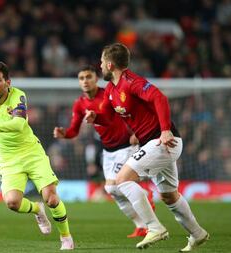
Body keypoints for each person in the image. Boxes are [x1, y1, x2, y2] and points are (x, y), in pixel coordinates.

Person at [86, 43, 209, 251]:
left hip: (163, 141)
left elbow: (159, 97)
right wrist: (96, 117)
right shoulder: (111, 90)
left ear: (109, 64)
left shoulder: (132, 82)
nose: (99, 66)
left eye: (101, 62)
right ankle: (197, 234)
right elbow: (108, 116)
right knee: (169, 195)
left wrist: (164, 130)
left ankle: (154, 227)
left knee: (122, 179)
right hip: (154, 144)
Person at [0, 62, 74, 250]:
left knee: (51, 198)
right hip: (8, 159)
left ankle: (65, 237)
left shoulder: (18, 96)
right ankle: (36, 209)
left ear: (7, 82)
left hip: (32, 153)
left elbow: (18, 125)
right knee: (12, 203)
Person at [54, 65, 155, 238]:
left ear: (96, 78)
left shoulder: (108, 94)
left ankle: (146, 197)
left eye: (88, 77)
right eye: (81, 78)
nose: (85, 81)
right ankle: (140, 225)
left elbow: (129, 111)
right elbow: (74, 130)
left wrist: (136, 133)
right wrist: (64, 134)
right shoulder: (80, 104)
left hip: (126, 145)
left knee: (115, 185)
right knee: (112, 190)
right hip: (108, 150)